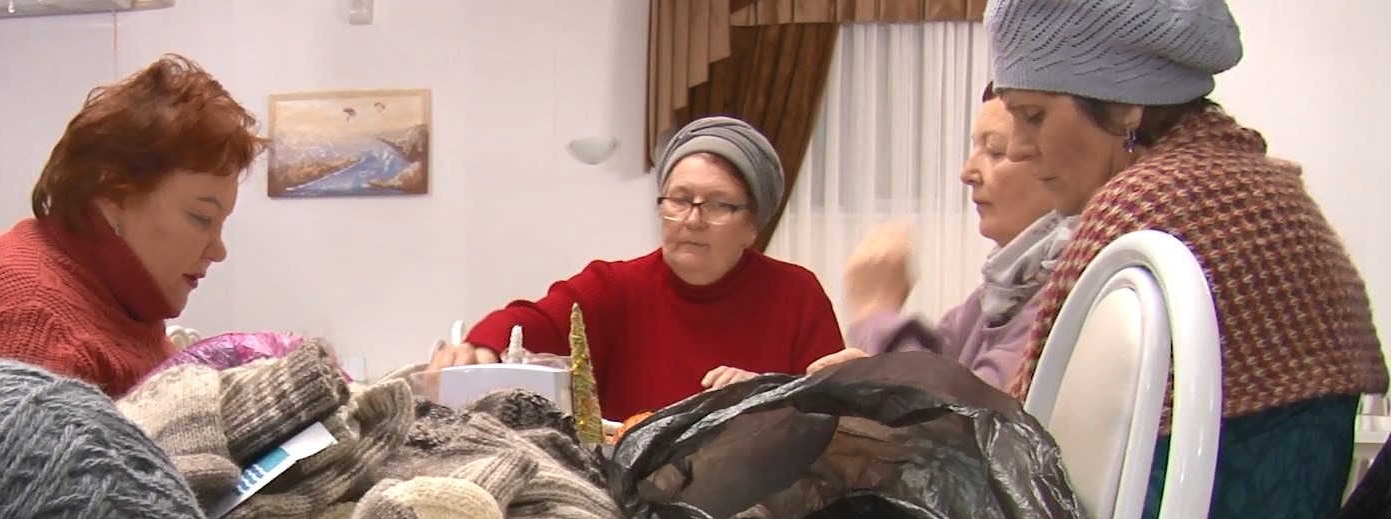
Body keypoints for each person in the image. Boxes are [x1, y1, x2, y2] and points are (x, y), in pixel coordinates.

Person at [987, 0, 1388, 519]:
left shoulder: (1148, 208)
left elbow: (1038, 470)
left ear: (1125, 106)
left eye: (1033, 115)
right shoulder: (1260, 189)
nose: (1021, 148)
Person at [427, 116, 843, 420]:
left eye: (717, 204)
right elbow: (528, 322)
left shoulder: (796, 294)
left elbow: (830, 415)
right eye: (679, 199)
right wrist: (479, 349)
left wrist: (766, 395)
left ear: (752, 224)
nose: (692, 219)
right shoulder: (613, 287)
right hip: (628, 495)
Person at [0, 55, 265, 397]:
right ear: (112, 193)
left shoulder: (117, 294)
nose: (218, 250)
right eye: (201, 218)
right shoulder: (35, 324)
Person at [825, 84, 1067, 390]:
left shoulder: (1062, 290)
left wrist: (875, 312)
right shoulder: (995, 293)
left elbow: (964, 415)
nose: (967, 173)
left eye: (995, 151)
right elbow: (938, 368)